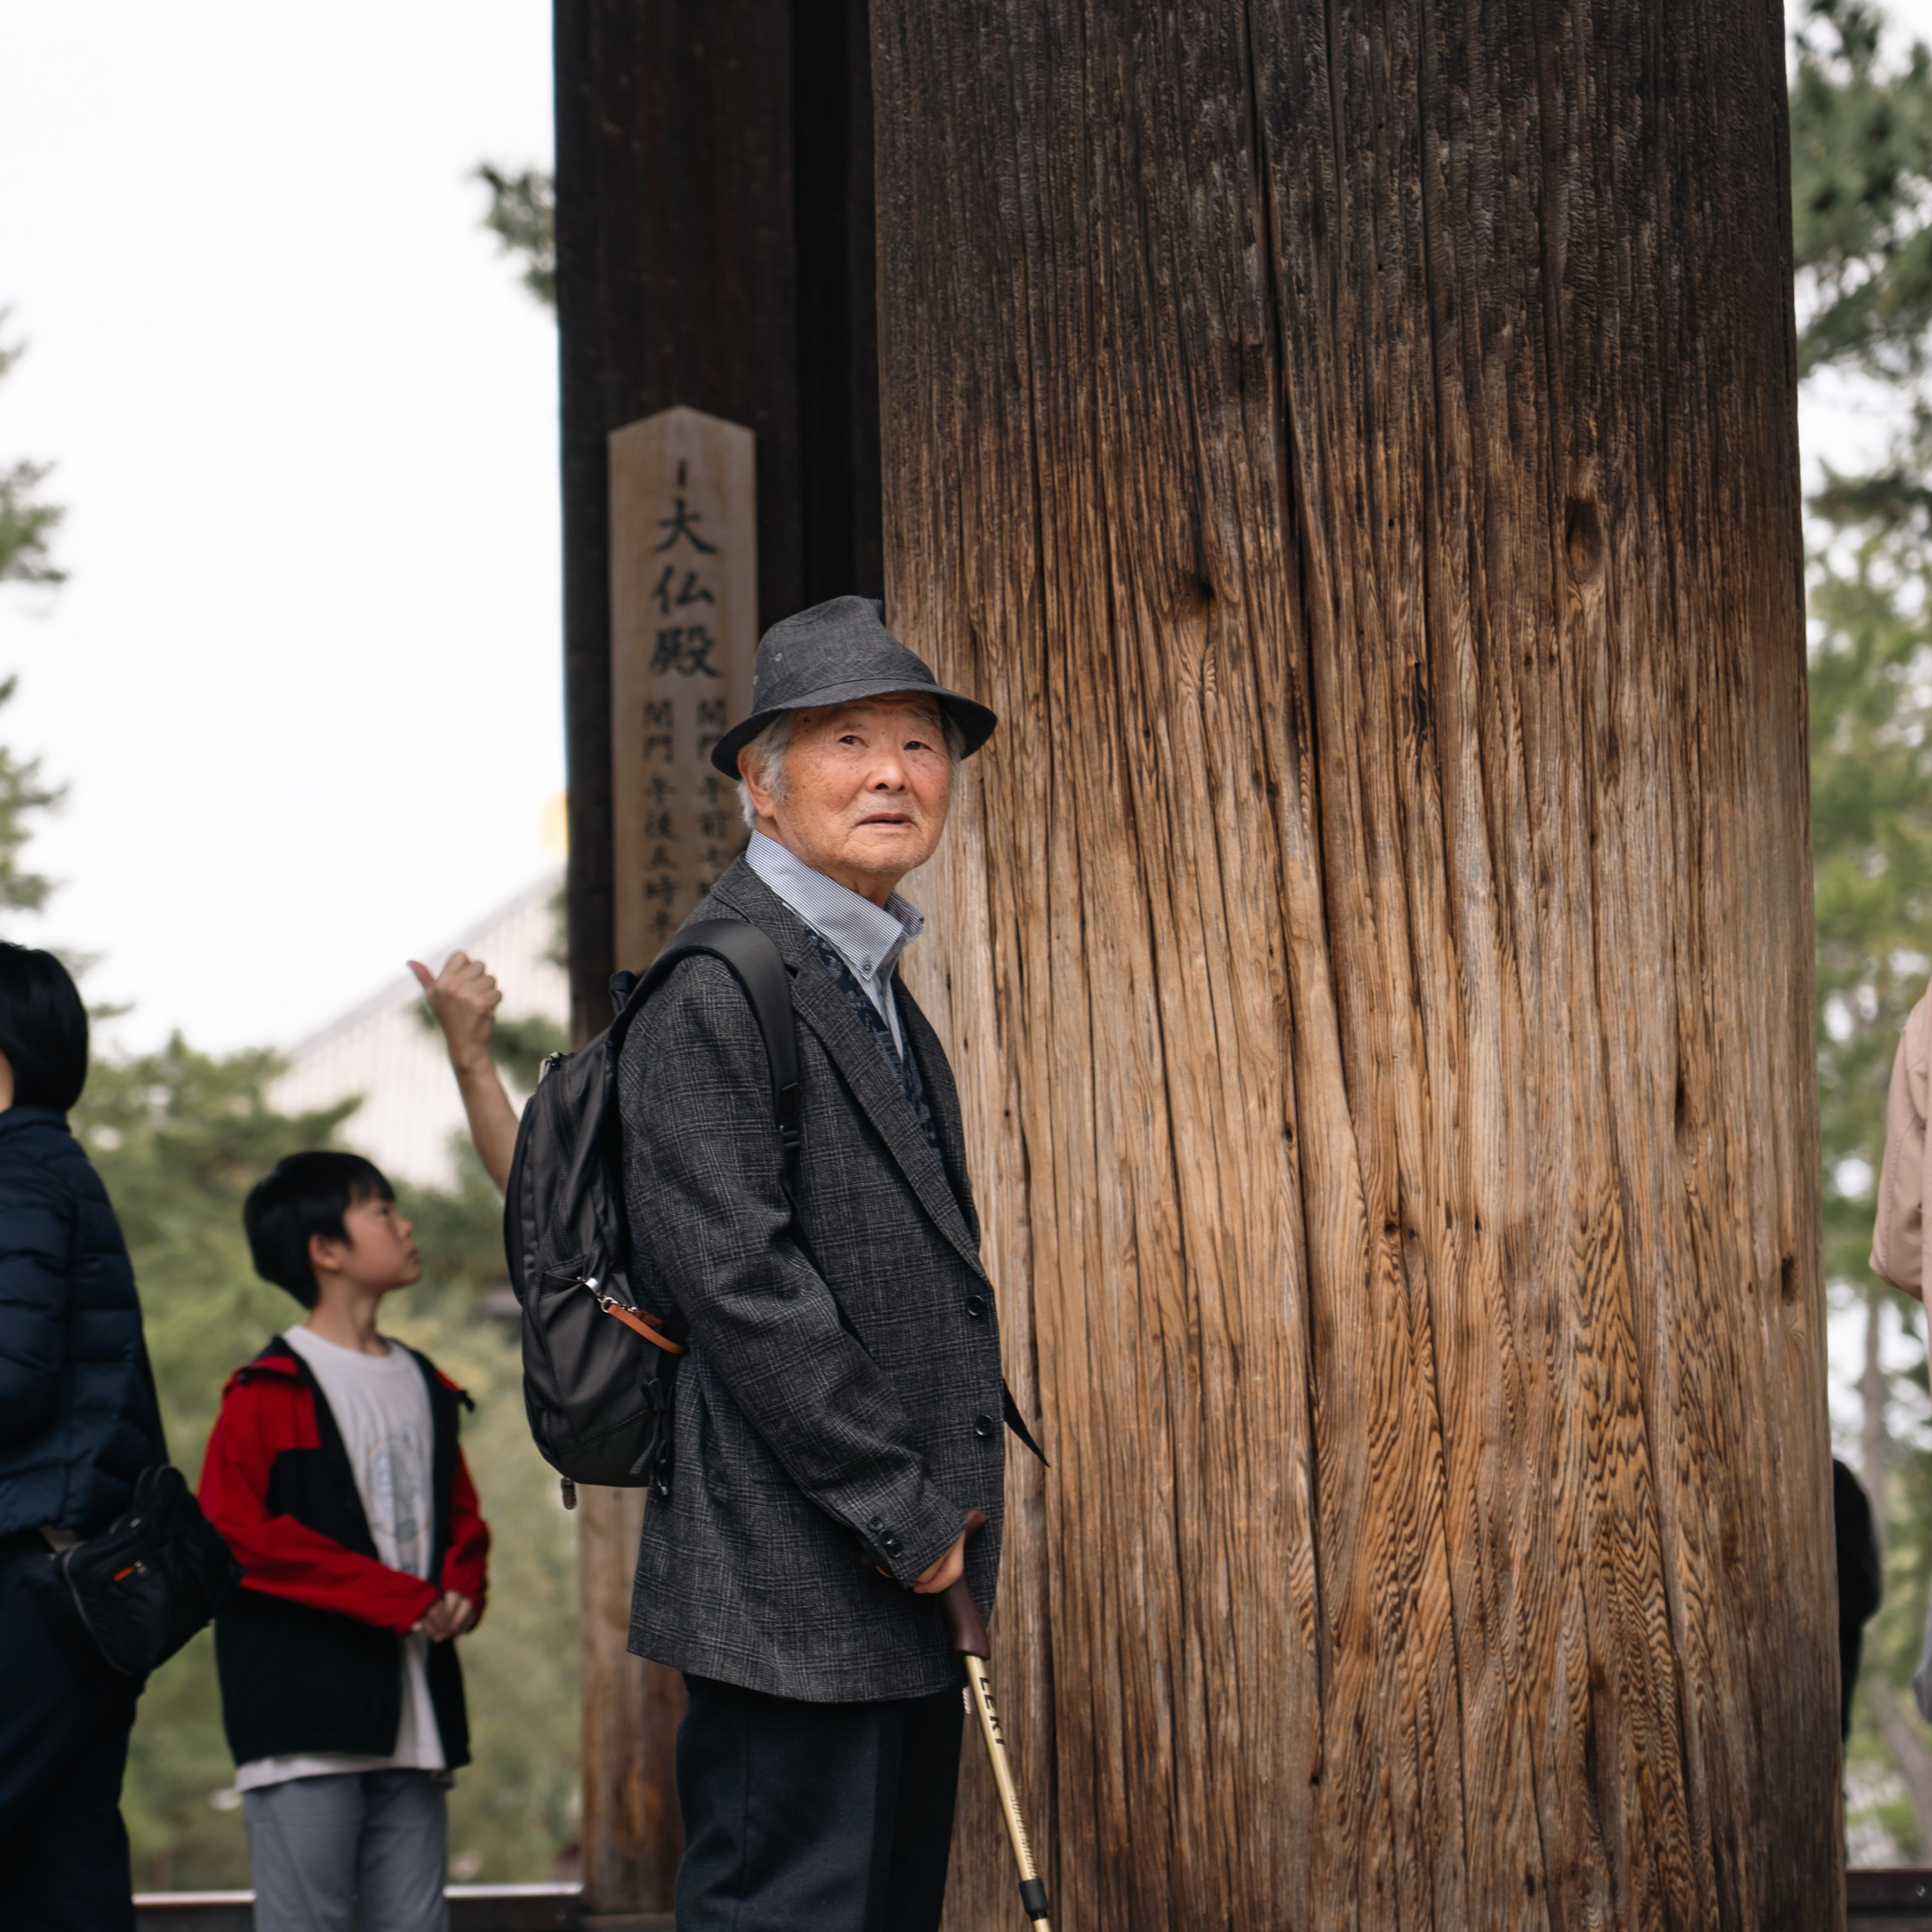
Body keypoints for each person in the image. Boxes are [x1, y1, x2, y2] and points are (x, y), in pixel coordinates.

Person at [620, 595, 1017, 1931]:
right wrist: (908, 1519)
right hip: (793, 1584)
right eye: (850, 740)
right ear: (762, 783)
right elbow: (742, 1288)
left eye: (921, 743)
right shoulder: (721, 985)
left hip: (894, 1567)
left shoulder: (864, 972)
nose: (897, 774)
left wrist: (926, 1530)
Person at [198, 1150, 490, 1932]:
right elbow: (236, 1533)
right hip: (304, 1720)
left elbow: (461, 1514)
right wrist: (402, 1598)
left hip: (417, 1709)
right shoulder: (265, 1389)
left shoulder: (425, 1380)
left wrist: (464, 1581)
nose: (405, 1225)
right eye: (382, 1211)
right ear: (324, 1250)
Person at [0, 943, 168, 1931]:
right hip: (82, 1592)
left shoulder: (16, 1172)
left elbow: (11, 1376)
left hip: (30, 1582)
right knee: (64, 1876)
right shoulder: (54, 1165)